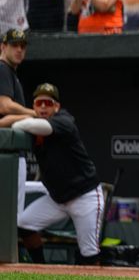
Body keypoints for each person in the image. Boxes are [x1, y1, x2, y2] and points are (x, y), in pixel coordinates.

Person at [13, 83, 104, 265]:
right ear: (34, 106)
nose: (44, 107)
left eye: (48, 103)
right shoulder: (34, 127)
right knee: (23, 225)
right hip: (57, 199)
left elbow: (41, 127)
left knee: (89, 254)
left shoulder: (64, 120)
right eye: (39, 103)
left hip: (84, 196)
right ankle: (41, 269)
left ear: (57, 106)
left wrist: (17, 122)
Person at [0, 29, 35, 221]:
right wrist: (34, 114)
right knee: (10, 215)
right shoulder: (2, 68)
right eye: (14, 45)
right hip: (6, 154)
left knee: (12, 215)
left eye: (23, 46)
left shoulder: (10, 73)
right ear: (3, 47)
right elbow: (4, 106)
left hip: (11, 153)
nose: (19, 50)